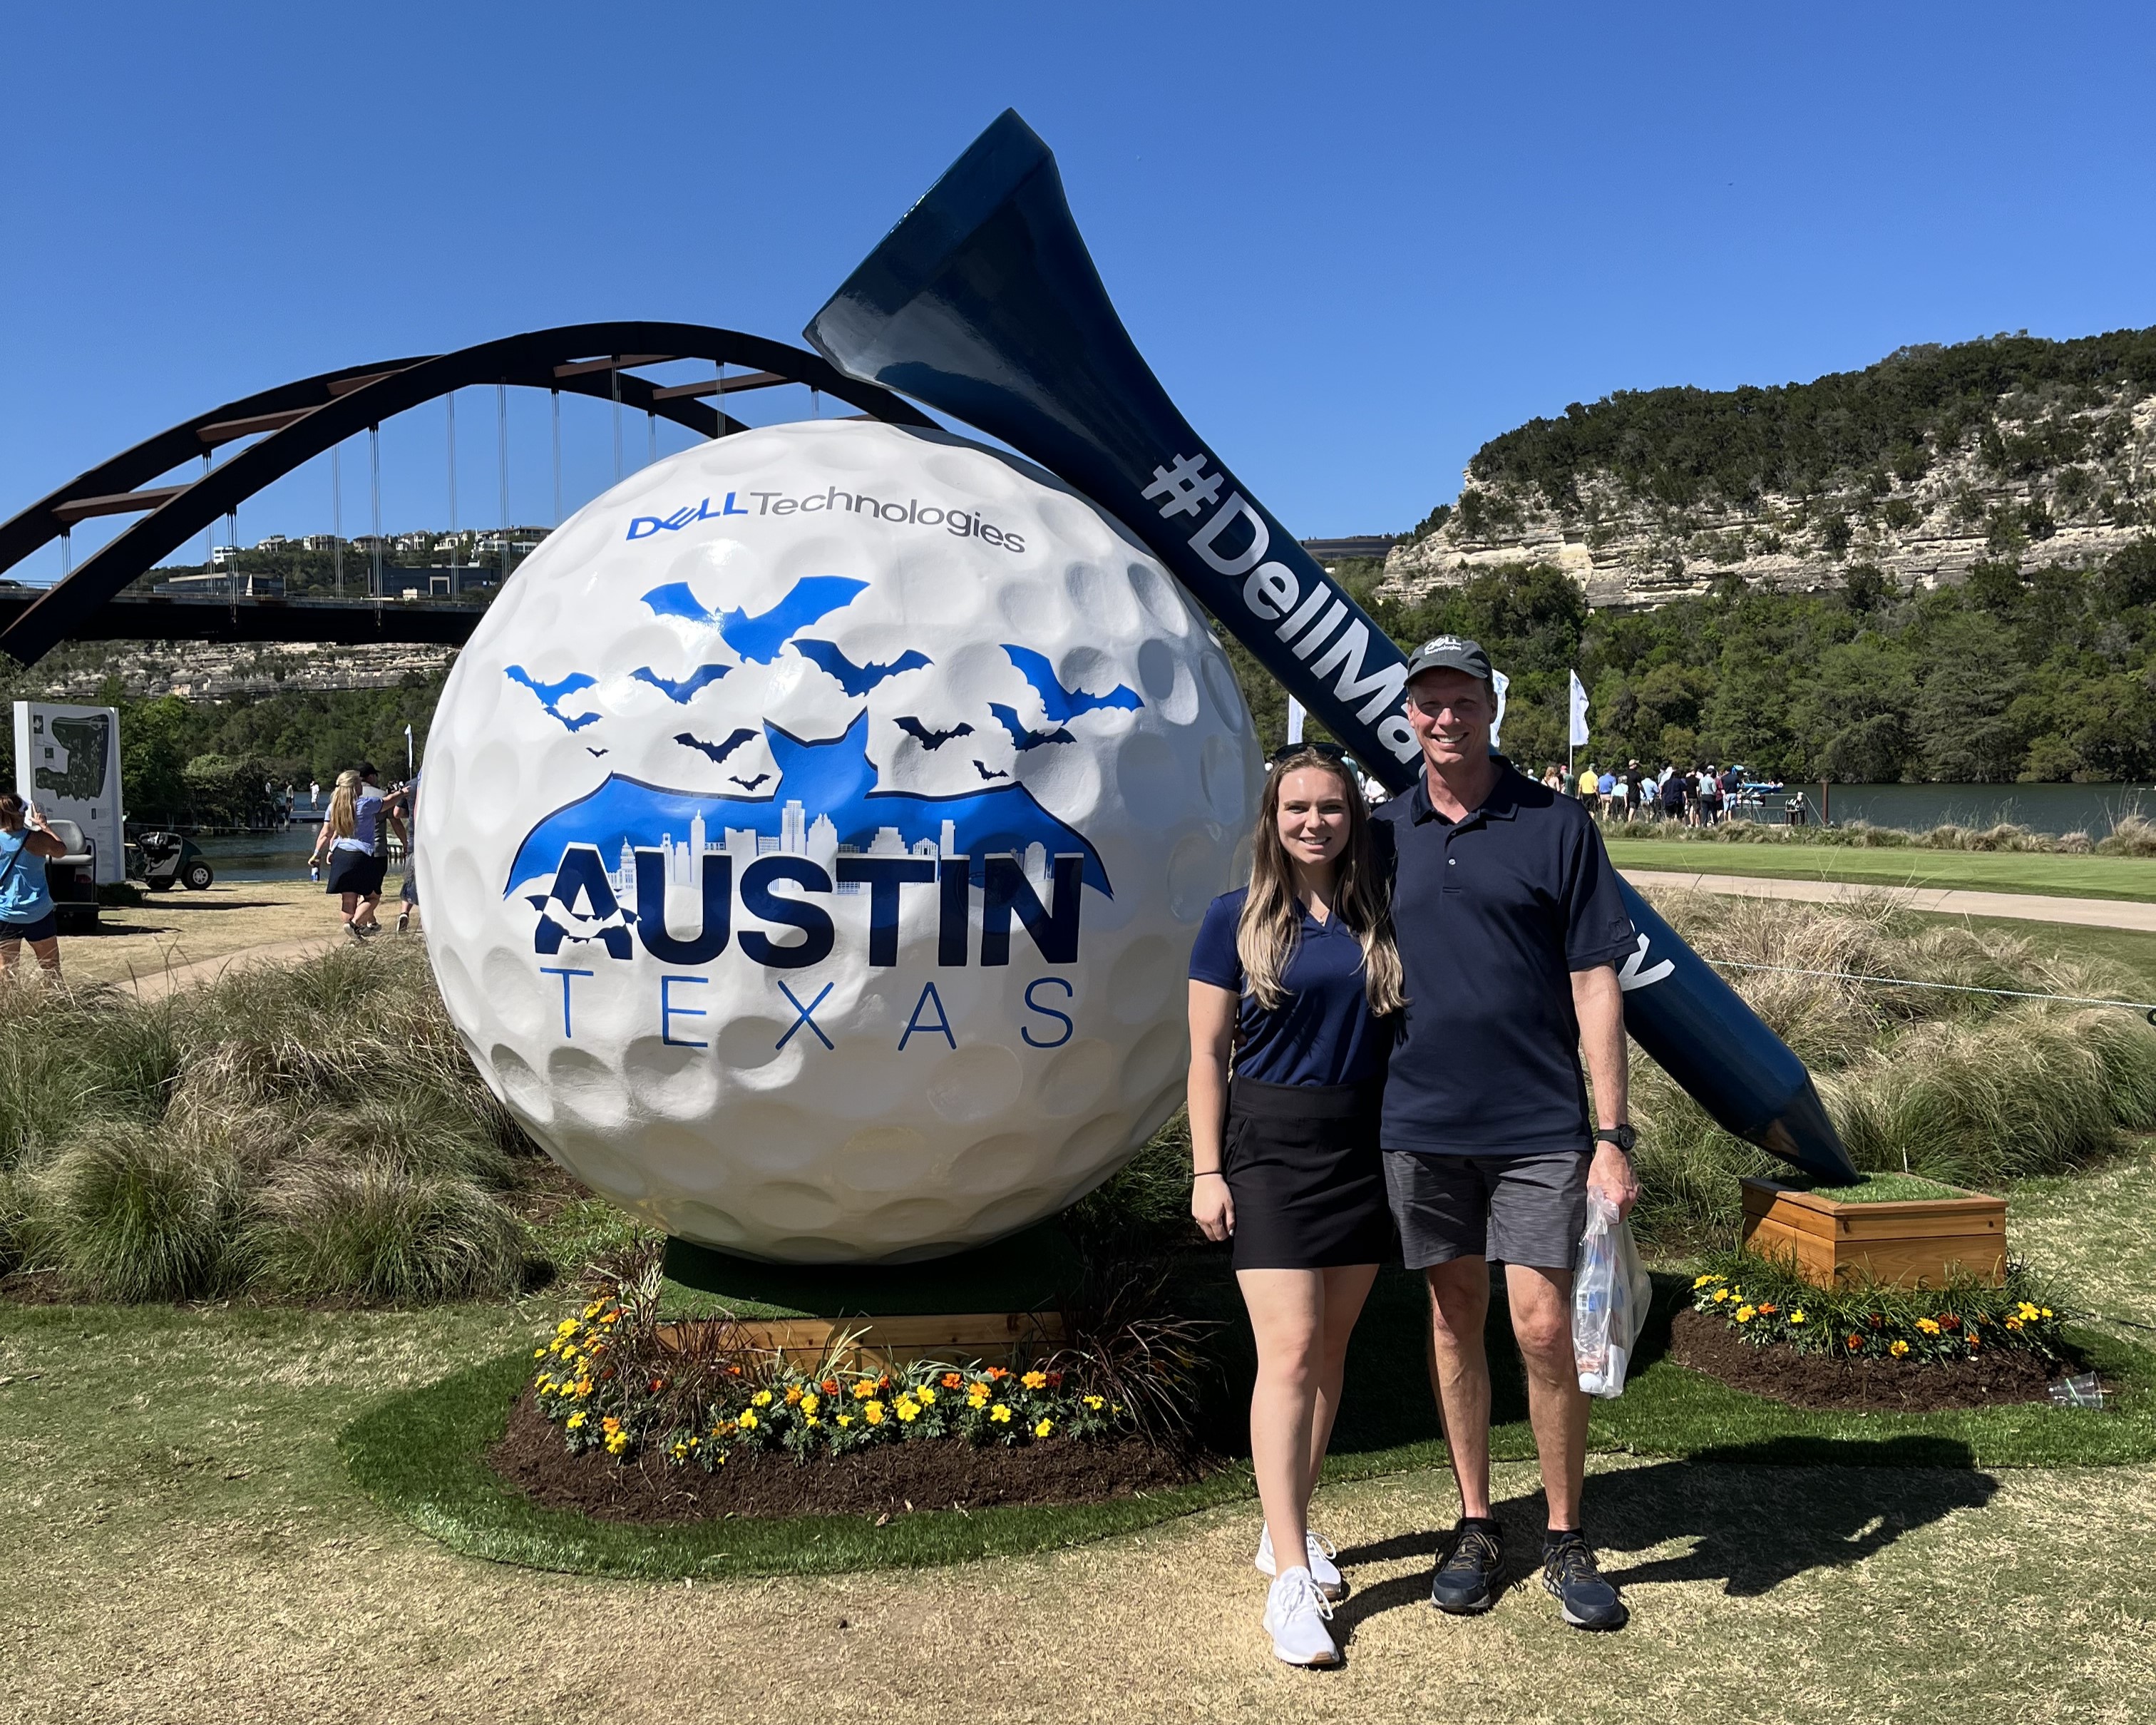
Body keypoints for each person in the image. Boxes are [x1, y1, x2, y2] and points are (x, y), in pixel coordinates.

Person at [1372, 635, 1641, 1633]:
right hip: (1420, 1119)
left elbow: (1594, 979)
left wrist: (1613, 1131)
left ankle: (1566, 1531)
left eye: (1464, 700)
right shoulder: (1379, 830)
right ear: (1409, 713)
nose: (1446, 718)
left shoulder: (1554, 822)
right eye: (1429, 702)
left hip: (1537, 1122)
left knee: (1538, 1324)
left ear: (1491, 707)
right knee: (1452, 1320)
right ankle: (1478, 1521)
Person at [1189, 744, 1404, 1667]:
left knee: (1327, 1353)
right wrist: (1207, 1169)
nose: (1314, 821)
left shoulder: (1378, 917)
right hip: (1269, 1150)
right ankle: (1288, 1582)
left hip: (1362, 1148)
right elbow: (1205, 1056)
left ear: (1353, 818)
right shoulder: (1231, 918)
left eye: (1331, 806)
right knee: (1287, 1350)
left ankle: (1288, 1527)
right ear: (1272, 823)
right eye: (1297, 808)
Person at [309, 767, 402, 938]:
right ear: (354, 787)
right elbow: (388, 801)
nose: (362, 785)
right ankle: (355, 925)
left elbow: (325, 833)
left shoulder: (333, 807)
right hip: (361, 856)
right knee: (372, 897)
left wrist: (317, 853)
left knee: (348, 901)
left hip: (340, 855)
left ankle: (352, 936)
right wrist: (403, 793)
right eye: (359, 782)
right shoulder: (364, 804)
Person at [0, 792, 67, 983]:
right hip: (38, 913)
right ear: (22, 814)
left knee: (7, 972)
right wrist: (44, 826)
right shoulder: (37, 839)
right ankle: (57, 1006)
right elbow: (61, 850)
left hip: (5, 913)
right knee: (52, 969)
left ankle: (10, 1010)